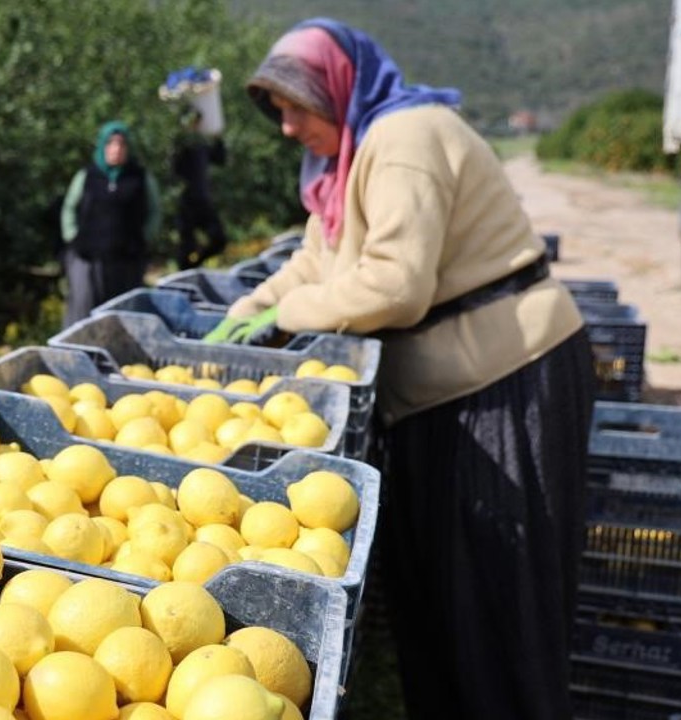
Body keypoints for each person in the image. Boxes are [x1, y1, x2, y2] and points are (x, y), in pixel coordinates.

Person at [208, 18, 595, 720]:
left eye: (296, 104)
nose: (287, 128)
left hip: (504, 379)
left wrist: (292, 311)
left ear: (338, 87)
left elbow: (397, 285)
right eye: (277, 112)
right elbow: (317, 258)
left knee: (498, 597)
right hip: (443, 394)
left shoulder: (405, 138)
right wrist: (247, 312)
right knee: (446, 603)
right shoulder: (353, 155)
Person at [59, 121, 162, 328]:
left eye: (121, 144)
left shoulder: (139, 177)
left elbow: (155, 210)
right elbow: (69, 207)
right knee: (82, 311)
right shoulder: (87, 176)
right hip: (87, 257)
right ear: (102, 147)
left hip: (126, 259)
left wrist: (145, 238)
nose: (116, 149)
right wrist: (72, 236)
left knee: (122, 313)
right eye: (111, 144)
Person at [172, 108, 229, 270]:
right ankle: (184, 276)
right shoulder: (181, 147)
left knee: (219, 240)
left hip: (203, 201)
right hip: (185, 204)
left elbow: (220, 159)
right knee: (186, 248)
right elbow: (174, 170)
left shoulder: (201, 146)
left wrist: (217, 137)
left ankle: (196, 265)